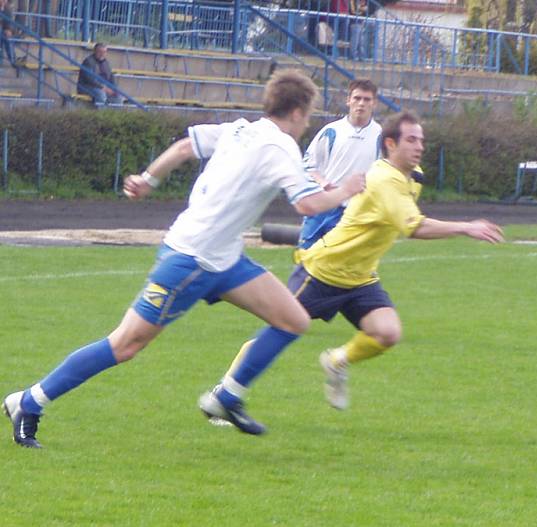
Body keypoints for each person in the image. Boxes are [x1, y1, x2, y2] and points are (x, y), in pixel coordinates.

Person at [2, 69, 366, 448]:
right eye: (308, 115)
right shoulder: (280, 147)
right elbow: (307, 204)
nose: (307, 124)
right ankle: (28, 402)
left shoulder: (240, 128)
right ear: (295, 112)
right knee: (126, 343)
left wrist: (148, 179)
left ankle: (226, 397)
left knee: (292, 319)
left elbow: (182, 148)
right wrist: (345, 190)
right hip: (192, 259)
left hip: (224, 258)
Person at [215, 110, 504, 412]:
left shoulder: (413, 177)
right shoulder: (383, 179)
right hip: (324, 271)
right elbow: (414, 226)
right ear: (390, 144)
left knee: (387, 333)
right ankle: (226, 391)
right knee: (280, 327)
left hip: (361, 277)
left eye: (422, 140)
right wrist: (467, 227)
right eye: (411, 140)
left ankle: (337, 361)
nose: (420, 146)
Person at [296, 78, 381, 249]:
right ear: (348, 100)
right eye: (357, 98)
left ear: (374, 103)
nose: (361, 104)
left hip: (354, 213)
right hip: (323, 207)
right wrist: (324, 183)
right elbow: (307, 166)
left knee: (342, 268)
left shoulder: (382, 136)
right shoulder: (331, 131)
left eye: (367, 99)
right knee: (305, 260)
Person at [0, 0, 17, 68]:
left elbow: (10, 21)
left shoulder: (7, 8)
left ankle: (13, 60)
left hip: (4, 30)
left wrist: (9, 29)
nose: (3, 1)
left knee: (8, 39)